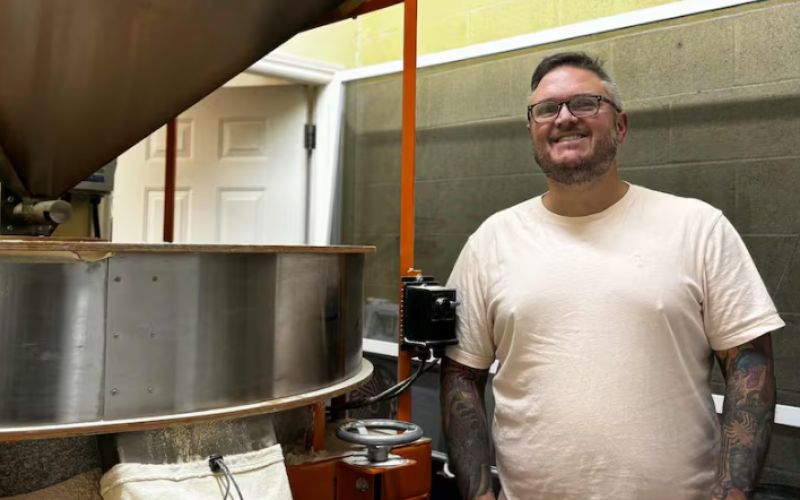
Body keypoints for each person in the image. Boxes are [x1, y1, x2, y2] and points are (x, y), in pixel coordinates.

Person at [439, 51, 784, 500]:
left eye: (584, 103)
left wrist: (730, 495)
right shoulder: (491, 241)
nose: (564, 117)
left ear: (620, 126)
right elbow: (461, 376)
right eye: (546, 109)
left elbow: (749, 366)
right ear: (532, 132)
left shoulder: (697, 227)